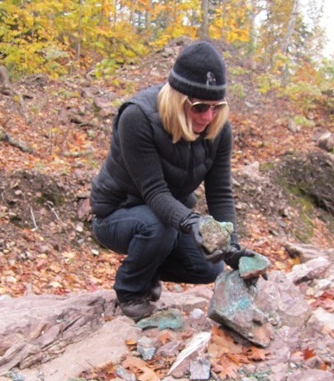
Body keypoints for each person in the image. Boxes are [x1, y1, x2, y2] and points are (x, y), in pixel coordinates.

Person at [90, 40, 255, 322]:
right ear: (179, 99)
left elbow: (220, 194)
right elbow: (155, 191)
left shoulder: (218, 127)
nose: (208, 116)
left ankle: (148, 267)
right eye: (199, 107)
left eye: (217, 106)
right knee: (158, 227)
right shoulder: (137, 117)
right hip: (116, 214)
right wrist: (192, 222)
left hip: (166, 215)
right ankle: (130, 288)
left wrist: (232, 249)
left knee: (208, 266)